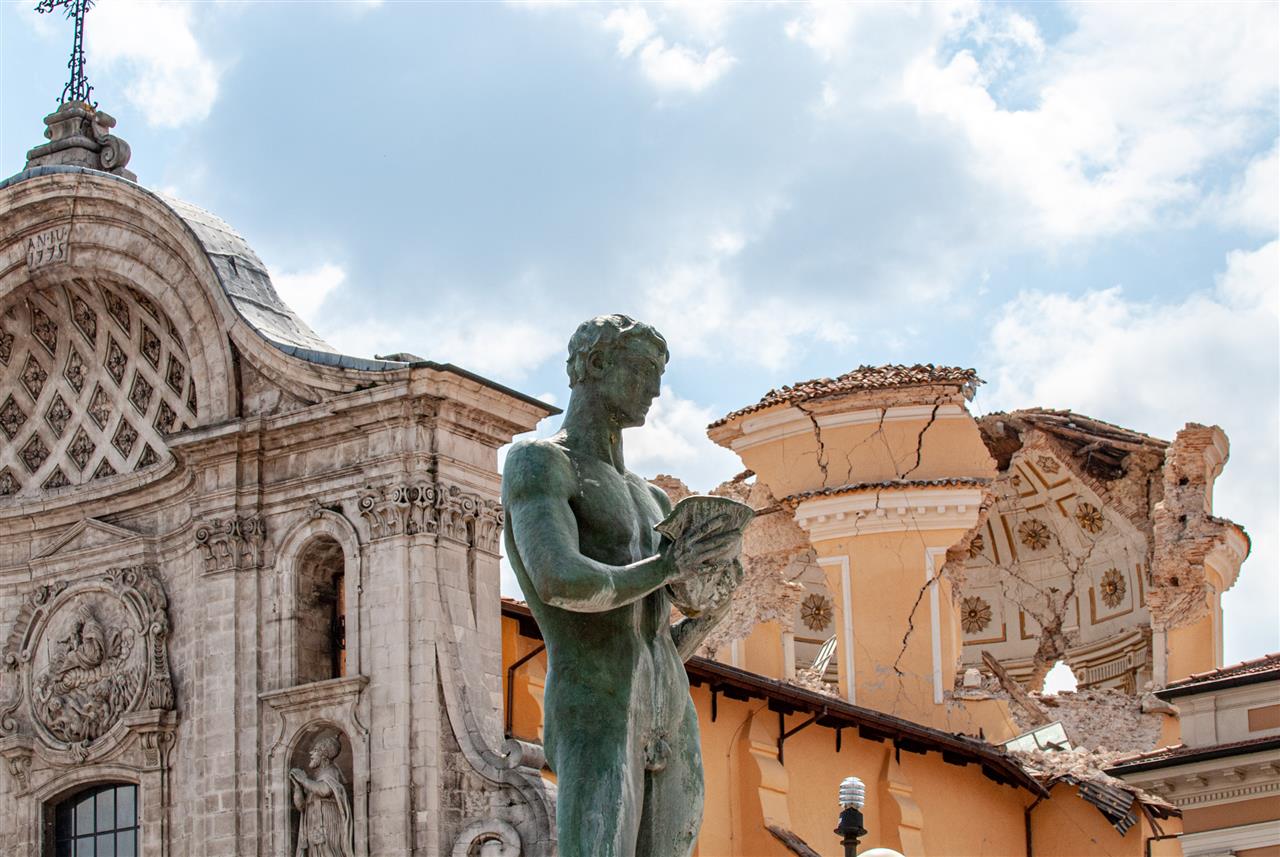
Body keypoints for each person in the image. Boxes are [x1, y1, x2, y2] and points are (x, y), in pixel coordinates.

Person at [502, 314, 745, 857]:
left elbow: (654, 640)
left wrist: (709, 610)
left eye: (660, 374)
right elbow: (558, 579)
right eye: (642, 369)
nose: (655, 389)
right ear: (593, 364)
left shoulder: (654, 499)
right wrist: (667, 567)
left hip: (669, 709)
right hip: (597, 705)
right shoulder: (541, 463)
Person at [290, 733, 355, 857]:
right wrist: (298, 787)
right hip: (313, 823)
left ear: (324, 755)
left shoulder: (331, 771)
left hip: (328, 821)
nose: (311, 754)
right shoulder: (315, 778)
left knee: (328, 851)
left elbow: (325, 790)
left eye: (315, 751)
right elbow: (301, 807)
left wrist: (304, 780)